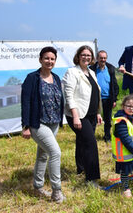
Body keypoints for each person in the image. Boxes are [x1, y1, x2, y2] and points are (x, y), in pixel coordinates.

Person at [21, 46, 65, 203]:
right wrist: (25, 126)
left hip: (53, 123)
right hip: (37, 124)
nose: (49, 61)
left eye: (52, 59)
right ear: (40, 59)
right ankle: (56, 191)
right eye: (46, 58)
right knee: (55, 153)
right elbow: (25, 102)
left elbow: (58, 100)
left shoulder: (56, 78)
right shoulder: (32, 78)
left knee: (43, 155)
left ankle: (38, 187)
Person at [63, 45, 103, 188]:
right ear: (78, 57)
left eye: (88, 55)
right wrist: (75, 116)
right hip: (78, 115)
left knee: (82, 141)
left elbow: (95, 94)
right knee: (91, 144)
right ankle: (91, 179)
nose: (86, 57)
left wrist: (98, 113)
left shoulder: (91, 72)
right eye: (83, 55)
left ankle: (81, 168)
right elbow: (69, 95)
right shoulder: (72, 72)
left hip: (91, 114)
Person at [112, 95, 133, 198]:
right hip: (125, 153)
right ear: (123, 106)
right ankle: (125, 188)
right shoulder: (120, 120)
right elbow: (125, 138)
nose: (131, 109)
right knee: (125, 172)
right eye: (129, 106)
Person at [90, 50, 119, 142]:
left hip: (108, 99)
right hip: (95, 99)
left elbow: (114, 84)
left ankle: (107, 136)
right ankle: (91, 137)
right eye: (101, 58)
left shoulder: (110, 68)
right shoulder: (91, 69)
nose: (103, 60)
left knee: (108, 119)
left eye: (104, 58)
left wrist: (114, 99)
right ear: (97, 58)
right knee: (93, 119)